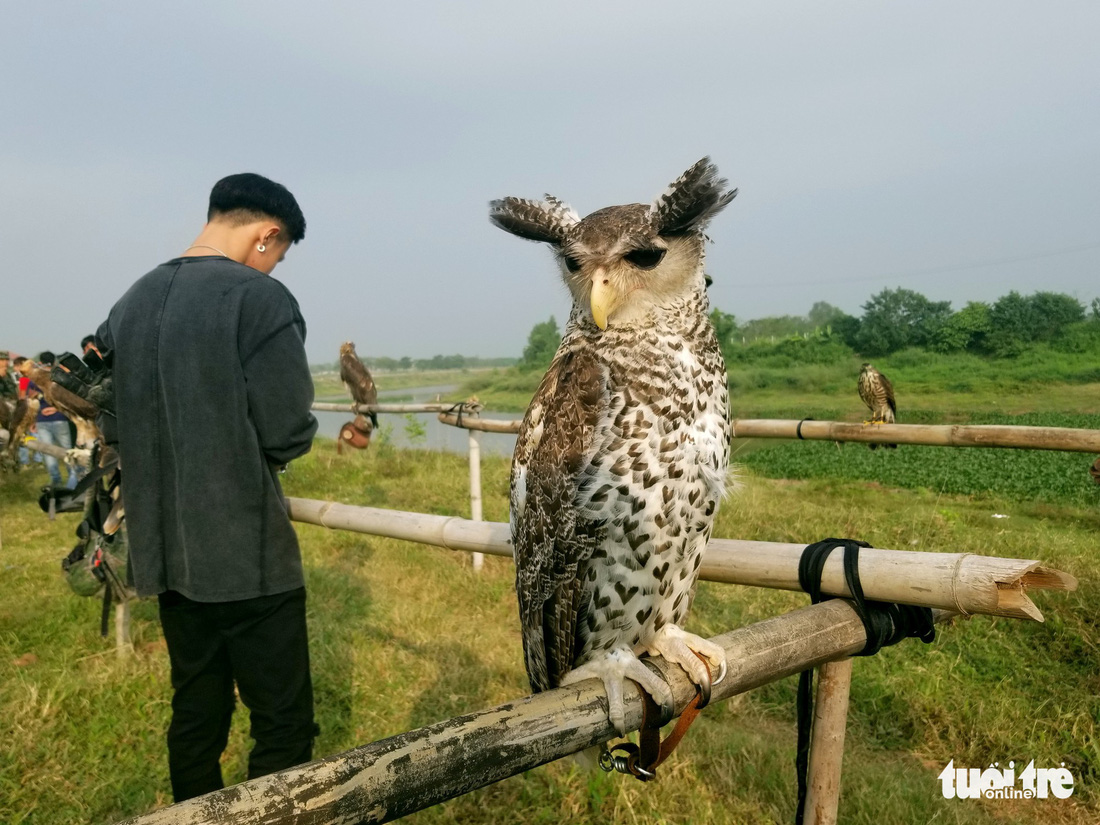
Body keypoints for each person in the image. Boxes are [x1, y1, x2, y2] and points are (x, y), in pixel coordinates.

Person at [95, 173, 319, 802]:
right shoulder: (259, 300)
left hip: (164, 555)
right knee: (283, 725)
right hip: (247, 555)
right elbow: (286, 430)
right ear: (266, 235)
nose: (272, 268)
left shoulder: (131, 301)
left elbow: (109, 412)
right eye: (277, 255)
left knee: (197, 713)